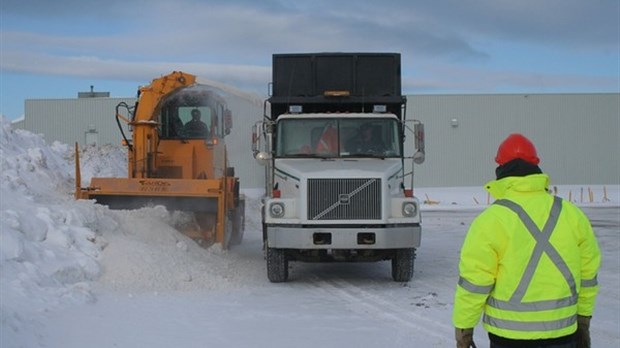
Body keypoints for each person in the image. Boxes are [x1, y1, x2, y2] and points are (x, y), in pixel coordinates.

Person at [452, 133, 601, 348]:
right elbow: (588, 275)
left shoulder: (490, 220)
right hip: (563, 334)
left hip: (508, 338)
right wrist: (584, 321)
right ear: (536, 167)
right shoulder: (571, 214)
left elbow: (475, 283)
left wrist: (464, 331)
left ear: (500, 169)